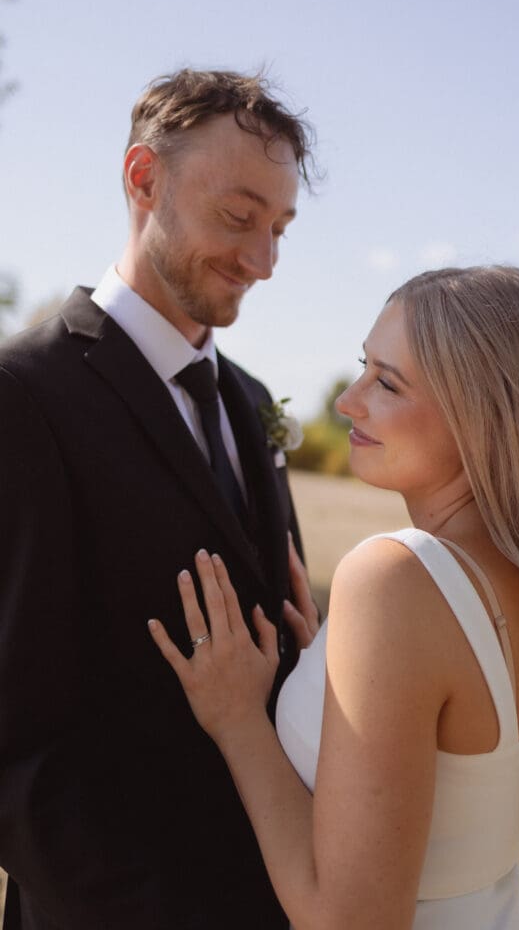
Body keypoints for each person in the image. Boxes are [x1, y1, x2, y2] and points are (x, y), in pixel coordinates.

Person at [150, 266, 519, 930]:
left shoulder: (396, 577)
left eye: (386, 383)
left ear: (483, 416)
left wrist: (237, 718)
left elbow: (347, 920)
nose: (347, 402)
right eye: (364, 367)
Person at [0, 68, 314, 929]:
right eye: (238, 217)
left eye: (279, 228)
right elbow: (14, 745)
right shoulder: (21, 397)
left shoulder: (250, 400)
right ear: (144, 179)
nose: (263, 262)